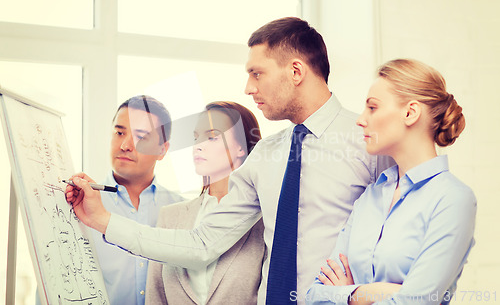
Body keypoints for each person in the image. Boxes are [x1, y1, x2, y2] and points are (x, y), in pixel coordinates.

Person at [65, 17, 393, 305]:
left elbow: (406, 241)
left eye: (257, 73)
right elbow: (202, 242)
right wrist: (103, 220)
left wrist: (367, 293)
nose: (248, 88)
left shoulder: (370, 141)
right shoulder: (265, 156)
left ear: (296, 71)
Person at [306, 59, 476, 305]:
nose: (360, 120)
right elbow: (314, 296)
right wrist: (375, 292)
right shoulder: (370, 196)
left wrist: (348, 293)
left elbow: (416, 301)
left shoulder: (453, 199)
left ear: (410, 113)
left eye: (372, 108)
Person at [145, 101, 266, 305]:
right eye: (196, 137)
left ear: (241, 147)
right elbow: (155, 295)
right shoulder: (170, 216)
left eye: (211, 137)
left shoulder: (265, 220)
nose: (198, 145)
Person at [73, 95, 184, 305]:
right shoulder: (78, 205)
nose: (125, 145)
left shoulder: (181, 211)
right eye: (119, 132)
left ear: (162, 150)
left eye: (141, 137)